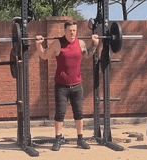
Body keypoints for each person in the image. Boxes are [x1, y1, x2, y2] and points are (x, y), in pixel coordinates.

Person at [35, 20, 99, 151]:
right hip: (61, 85)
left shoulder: (80, 43)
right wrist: (38, 45)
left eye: (74, 30)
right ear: (64, 31)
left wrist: (94, 45)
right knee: (60, 113)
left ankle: (80, 139)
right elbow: (44, 56)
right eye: (69, 30)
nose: (72, 33)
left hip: (77, 85)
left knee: (79, 113)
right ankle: (58, 139)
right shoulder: (58, 43)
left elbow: (87, 55)